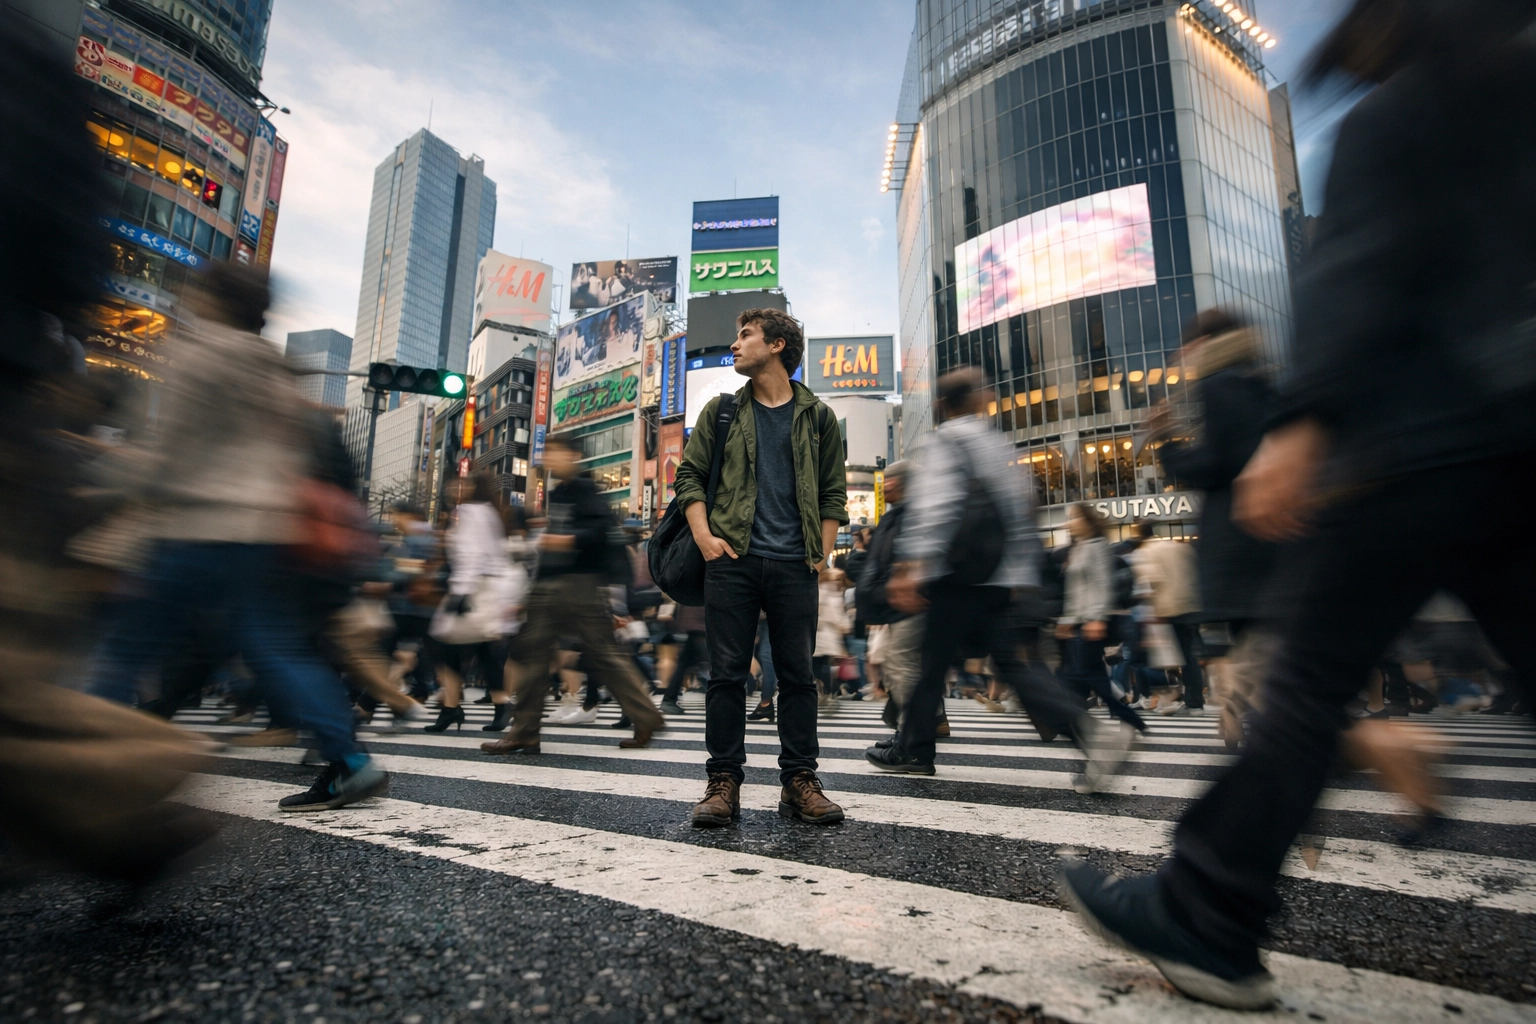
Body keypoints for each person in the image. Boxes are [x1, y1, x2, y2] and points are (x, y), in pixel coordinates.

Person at [1060, 0, 1536, 1009]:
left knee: (1304, 688)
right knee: (1307, 687)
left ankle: (1208, 915)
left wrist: (1302, 421)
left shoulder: (1401, 111)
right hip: (1507, 437)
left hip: (1409, 446)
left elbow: (1360, 266)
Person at [87, 263, 388, 813]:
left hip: (194, 525)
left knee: (124, 646)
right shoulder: (276, 372)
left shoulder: (196, 355)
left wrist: (99, 484)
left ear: (212, 299)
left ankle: (76, 758)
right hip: (265, 533)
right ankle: (350, 760)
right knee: (278, 649)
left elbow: (166, 454)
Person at [867, 369, 1130, 790]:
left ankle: (913, 749)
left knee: (933, 663)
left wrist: (910, 566)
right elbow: (1024, 510)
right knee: (1009, 663)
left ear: (941, 405)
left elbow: (937, 507)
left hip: (955, 573)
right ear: (978, 400)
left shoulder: (947, 440)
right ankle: (1088, 732)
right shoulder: (998, 443)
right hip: (999, 576)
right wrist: (1024, 576)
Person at [675, 307, 848, 828]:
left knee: (797, 676)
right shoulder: (721, 411)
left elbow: (833, 493)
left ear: (776, 345)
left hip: (795, 563)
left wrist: (819, 554)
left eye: (744, 334)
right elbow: (689, 476)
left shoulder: (818, 417)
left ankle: (800, 781)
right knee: (727, 676)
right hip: (732, 561)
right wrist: (705, 539)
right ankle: (722, 781)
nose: (735, 344)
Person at [481, 435, 663, 755]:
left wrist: (568, 541)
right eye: (546, 452)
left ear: (574, 455)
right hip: (555, 587)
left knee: (594, 654)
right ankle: (525, 730)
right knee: (535, 653)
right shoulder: (560, 492)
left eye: (555, 451)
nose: (548, 458)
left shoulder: (583, 489)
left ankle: (645, 716)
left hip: (579, 586)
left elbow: (603, 530)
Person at [1147, 311, 1279, 735]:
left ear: (1206, 341)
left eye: (1188, 344)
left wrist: (1165, 443)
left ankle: (1250, 717)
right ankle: (1251, 716)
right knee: (1266, 633)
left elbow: (1217, 464)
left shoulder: (1219, 384)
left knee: (1255, 637)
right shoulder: (1259, 381)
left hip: (1242, 529)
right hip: (1270, 531)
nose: (1183, 355)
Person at [425, 473, 520, 733]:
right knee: (481, 648)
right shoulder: (491, 511)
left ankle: (455, 707)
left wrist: (461, 594)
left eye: (462, 484)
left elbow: (471, 553)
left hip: (472, 588)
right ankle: (490, 705)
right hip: (488, 588)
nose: (457, 487)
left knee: (440, 643)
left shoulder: (467, 511)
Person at [1057, 504, 1147, 733]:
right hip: (1079, 621)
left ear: (1088, 521)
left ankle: (1124, 717)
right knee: (1083, 675)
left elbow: (1102, 584)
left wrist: (1096, 618)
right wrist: (1067, 620)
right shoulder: (1079, 548)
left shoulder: (1098, 546)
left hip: (1090, 621)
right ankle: (1079, 721)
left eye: (1074, 517)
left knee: (1086, 675)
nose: (1068, 523)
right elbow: (1075, 591)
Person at [1127, 521, 1204, 715]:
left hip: (1166, 610)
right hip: (1190, 606)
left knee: (1163, 658)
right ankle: (1195, 702)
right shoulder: (1177, 547)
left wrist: (1152, 613)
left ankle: (1172, 696)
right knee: (1188, 657)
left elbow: (1152, 582)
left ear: (1139, 534)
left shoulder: (1146, 551)